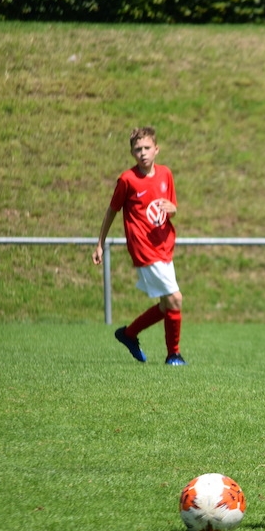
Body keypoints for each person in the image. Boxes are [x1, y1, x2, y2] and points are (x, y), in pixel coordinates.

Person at [93, 126, 185, 366]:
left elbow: (170, 208)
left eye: (147, 148)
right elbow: (112, 211)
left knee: (166, 305)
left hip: (164, 245)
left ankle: (129, 334)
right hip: (144, 248)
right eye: (137, 149)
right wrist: (100, 243)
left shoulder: (166, 174)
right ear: (132, 153)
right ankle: (173, 355)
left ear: (156, 149)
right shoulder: (127, 180)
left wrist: (174, 210)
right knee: (175, 299)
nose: (143, 153)